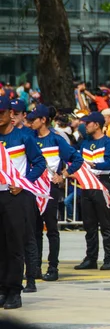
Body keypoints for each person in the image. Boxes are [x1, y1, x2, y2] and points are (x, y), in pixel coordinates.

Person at [28, 105, 84, 282]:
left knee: (51, 230)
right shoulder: (29, 138)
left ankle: (53, 267)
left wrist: (64, 175)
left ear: (43, 120)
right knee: (34, 229)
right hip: (32, 188)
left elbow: (77, 158)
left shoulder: (56, 139)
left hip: (50, 189)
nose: (30, 123)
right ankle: (34, 266)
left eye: (33, 119)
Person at [0, 95, 46, 309]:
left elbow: (39, 163)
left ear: (11, 114)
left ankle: (14, 291)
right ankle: (2, 289)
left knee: (15, 245)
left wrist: (24, 183)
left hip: (16, 196)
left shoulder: (23, 137)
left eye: (1, 113)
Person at [74, 112, 110, 271]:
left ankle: (109, 258)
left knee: (106, 224)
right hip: (86, 185)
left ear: (97, 125)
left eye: (88, 123)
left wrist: (94, 166)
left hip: (102, 184)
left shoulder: (108, 142)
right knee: (89, 225)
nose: (86, 126)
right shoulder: (84, 143)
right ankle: (91, 258)